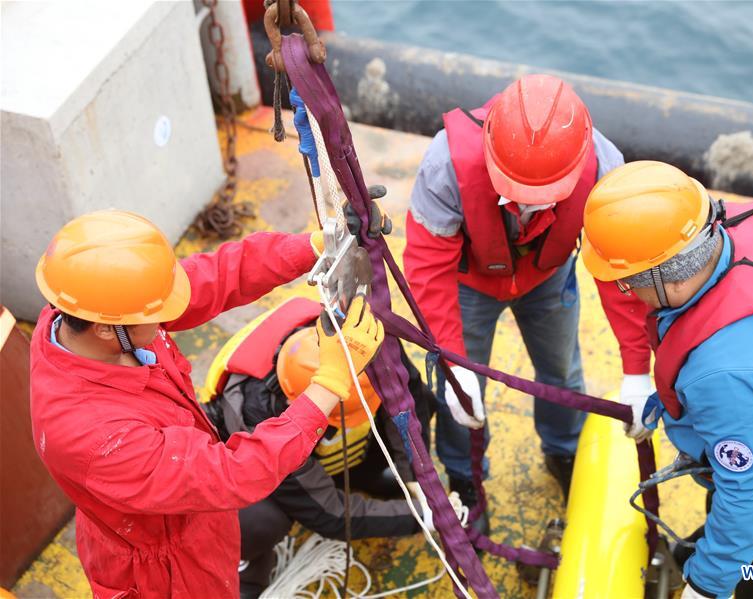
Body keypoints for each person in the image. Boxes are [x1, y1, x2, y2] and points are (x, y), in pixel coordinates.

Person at [29, 210, 384, 598]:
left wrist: (313, 247)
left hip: (181, 511)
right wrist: (329, 381)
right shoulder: (96, 440)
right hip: (166, 573)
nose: (169, 315)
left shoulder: (89, 312)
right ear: (105, 329)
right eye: (157, 312)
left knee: (253, 532)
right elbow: (233, 473)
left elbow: (213, 278)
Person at [581, 161, 753, 599]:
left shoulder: (722, 371)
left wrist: (709, 584)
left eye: (630, 282)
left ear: (659, 275)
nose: (628, 293)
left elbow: (751, 488)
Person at [403, 74, 651, 528]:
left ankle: (563, 451)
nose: (526, 200)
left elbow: (621, 278)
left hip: (548, 277)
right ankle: (464, 477)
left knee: (562, 373)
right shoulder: (445, 165)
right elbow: (426, 265)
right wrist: (455, 361)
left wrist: (637, 372)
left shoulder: (606, 168)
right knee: (456, 391)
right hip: (469, 285)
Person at [198, 297, 436, 598]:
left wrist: (415, 472)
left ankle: (365, 477)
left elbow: (408, 396)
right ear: (292, 400)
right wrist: (421, 517)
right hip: (249, 457)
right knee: (264, 520)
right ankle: (245, 571)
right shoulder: (255, 417)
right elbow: (328, 514)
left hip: (312, 415)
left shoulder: (358, 339)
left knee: (421, 405)